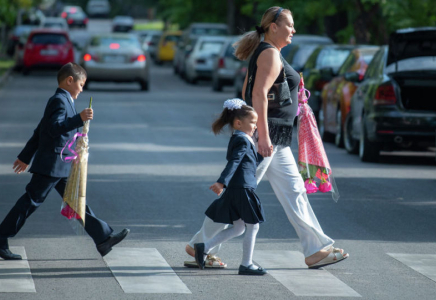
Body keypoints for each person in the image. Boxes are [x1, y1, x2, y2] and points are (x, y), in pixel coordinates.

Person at [185, 6, 348, 269]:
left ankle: (316, 249)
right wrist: (260, 135)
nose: (293, 30)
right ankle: (198, 245)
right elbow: (258, 94)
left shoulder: (265, 52)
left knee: (294, 192)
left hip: (273, 137)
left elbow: (246, 90)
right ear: (274, 26)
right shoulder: (270, 54)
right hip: (266, 137)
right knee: (237, 194)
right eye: (290, 25)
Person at [0, 63, 129, 260]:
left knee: (77, 201)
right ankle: (1, 237)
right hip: (51, 164)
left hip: (59, 164)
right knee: (30, 202)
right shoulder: (59, 101)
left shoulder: (64, 99)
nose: (82, 89)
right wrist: (79, 119)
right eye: (81, 84)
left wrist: (25, 157)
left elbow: (40, 131)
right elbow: (52, 128)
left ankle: (103, 239)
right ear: (70, 80)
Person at [193, 99, 267, 276]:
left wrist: (262, 155)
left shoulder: (241, 138)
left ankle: (204, 247)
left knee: (240, 228)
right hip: (242, 189)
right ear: (238, 123)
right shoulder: (242, 140)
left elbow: (249, 163)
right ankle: (246, 264)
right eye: (253, 122)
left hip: (238, 187)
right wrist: (221, 182)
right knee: (253, 226)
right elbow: (234, 162)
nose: (255, 126)